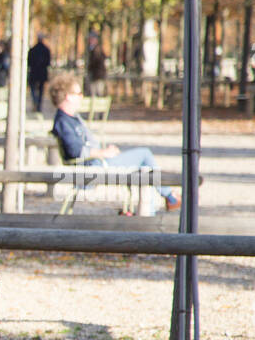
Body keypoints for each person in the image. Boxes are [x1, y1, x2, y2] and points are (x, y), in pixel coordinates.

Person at [48, 72, 179, 211]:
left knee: (145, 171)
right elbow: (75, 150)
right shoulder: (64, 121)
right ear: (68, 96)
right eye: (79, 93)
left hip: (95, 164)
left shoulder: (70, 119)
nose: (81, 97)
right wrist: (103, 153)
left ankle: (160, 204)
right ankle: (169, 198)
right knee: (145, 156)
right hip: (92, 167)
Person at [27, 33, 52, 112]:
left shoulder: (33, 50)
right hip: (41, 72)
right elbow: (48, 62)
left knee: (34, 89)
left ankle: (35, 102)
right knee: (40, 90)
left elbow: (29, 62)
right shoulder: (46, 50)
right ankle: (38, 104)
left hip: (34, 72)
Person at [86, 32, 108, 98]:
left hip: (97, 76)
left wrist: (91, 70)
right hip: (96, 75)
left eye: (91, 39)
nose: (90, 41)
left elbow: (97, 64)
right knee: (94, 93)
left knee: (97, 93)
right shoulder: (92, 50)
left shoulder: (97, 50)